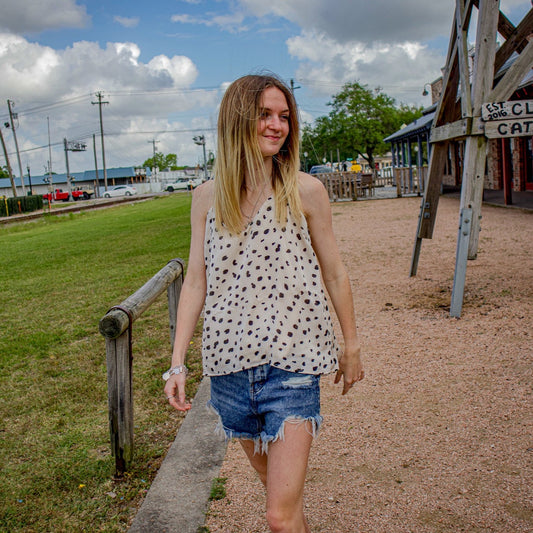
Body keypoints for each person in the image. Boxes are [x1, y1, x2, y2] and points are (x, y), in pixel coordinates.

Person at [163, 73, 363, 533]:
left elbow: (335, 272)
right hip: (229, 371)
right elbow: (196, 281)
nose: (277, 125)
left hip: (291, 367)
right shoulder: (206, 198)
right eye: (265, 115)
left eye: (284, 117)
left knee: (277, 515)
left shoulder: (306, 190)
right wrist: (177, 363)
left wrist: (351, 344)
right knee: (283, 503)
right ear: (238, 120)